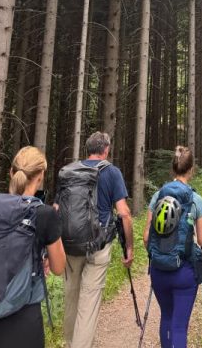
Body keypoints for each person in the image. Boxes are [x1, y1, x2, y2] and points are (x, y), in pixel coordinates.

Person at [59, 131, 133, 348]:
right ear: (106, 150)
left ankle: (70, 342)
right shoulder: (112, 172)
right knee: (89, 302)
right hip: (98, 246)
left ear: (87, 149)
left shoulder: (69, 171)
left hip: (70, 244)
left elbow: (56, 208)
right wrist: (129, 247)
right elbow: (124, 213)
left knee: (71, 296)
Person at [0, 146, 66, 348]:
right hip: (24, 318)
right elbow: (59, 268)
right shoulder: (44, 214)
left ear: (11, 172)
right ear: (40, 176)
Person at [143, 146, 202, 348]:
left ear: (173, 168)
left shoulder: (158, 196)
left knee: (166, 317)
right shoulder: (196, 200)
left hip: (159, 270)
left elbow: (146, 237)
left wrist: (160, 253)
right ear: (191, 169)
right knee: (179, 326)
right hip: (184, 272)